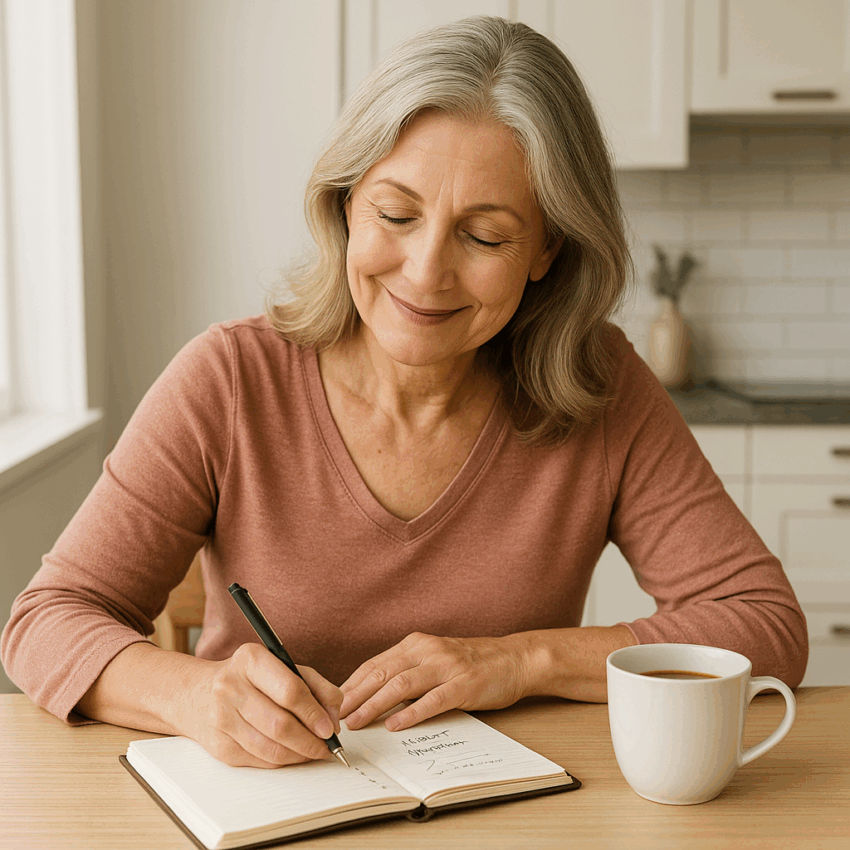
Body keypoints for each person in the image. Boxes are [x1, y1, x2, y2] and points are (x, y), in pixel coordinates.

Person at [1, 16, 807, 770]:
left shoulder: (600, 385)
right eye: (395, 213)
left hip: (512, 816)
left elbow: (763, 624)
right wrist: (194, 696)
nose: (425, 273)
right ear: (348, 203)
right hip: (264, 807)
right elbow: (45, 621)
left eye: (485, 235)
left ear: (547, 250)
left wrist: (519, 659)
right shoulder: (230, 379)